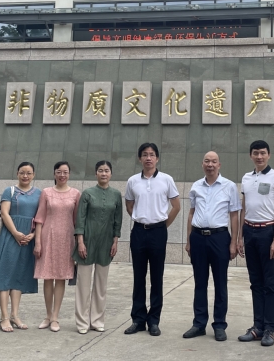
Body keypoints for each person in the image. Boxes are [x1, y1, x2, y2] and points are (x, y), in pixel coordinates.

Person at [183, 151, 240, 342]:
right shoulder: (196, 186)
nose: (210, 164)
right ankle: (199, 324)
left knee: (220, 283)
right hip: (198, 237)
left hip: (219, 238)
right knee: (200, 282)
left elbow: (234, 215)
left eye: (214, 161)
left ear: (219, 165)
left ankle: (219, 324)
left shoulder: (229, 186)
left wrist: (233, 242)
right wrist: (189, 240)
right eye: (207, 161)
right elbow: (191, 213)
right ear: (202, 164)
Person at [124, 143, 181, 336]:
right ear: (140, 158)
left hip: (158, 232)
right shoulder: (133, 181)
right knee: (138, 277)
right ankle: (138, 320)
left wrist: (163, 225)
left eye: (152, 155)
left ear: (157, 158)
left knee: (157, 277)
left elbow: (176, 206)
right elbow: (129, 205)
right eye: (145, 155)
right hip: (139, 232)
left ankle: (154, 320)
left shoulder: (166, 179)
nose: (148, 158)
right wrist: (140, 218)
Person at [237, 140, 274, 347]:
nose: (259, 156)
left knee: (269, 282)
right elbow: (244, 208)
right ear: (251, 155)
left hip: (268, 232)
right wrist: (240, 237)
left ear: (269, 155)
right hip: (249, 231)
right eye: (256, 153)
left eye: (263, 153)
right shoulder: (246, 178)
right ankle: (257, 327)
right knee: (255, 282)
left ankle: (269, 329)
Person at [0, 162, 41, 333]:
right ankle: (4, 317)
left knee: (19, 275)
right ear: (17, 173)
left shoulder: (39, 193)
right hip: (10, 236)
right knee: (5, 274)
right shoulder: (9, 191)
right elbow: (4, 213)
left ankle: (15, 315)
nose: (25, 176)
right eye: (22, 172)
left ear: (33, 175)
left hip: (28, 238)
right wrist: (16, 233)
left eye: (29, 173)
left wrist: (33, 235)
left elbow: (40, 217)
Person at [73, 160, 123, 334]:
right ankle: (82, 322)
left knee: (101, 285)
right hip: (87, 242)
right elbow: (80, 219)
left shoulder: (116, 195)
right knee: (83, 285)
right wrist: (80, 242)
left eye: (106, 170)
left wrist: (115, 241)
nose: (103, 173)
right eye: (100, 170)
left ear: (111, 174)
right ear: (95, 174)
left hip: (106, 243)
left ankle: (97, 320)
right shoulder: (87, 193)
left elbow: (118, 221)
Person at [34, 161, 81, 333]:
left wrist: (79, 242)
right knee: (47, 277)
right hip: (48, 237)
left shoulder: (76, 194)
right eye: (59, 172)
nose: (62, 175)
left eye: (65, 172)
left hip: (67, 238)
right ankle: (47, 315)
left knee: (61, 277)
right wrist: (38, 241)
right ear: (54, 173)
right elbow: (40, 218)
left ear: (69, 174)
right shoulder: (46, 192)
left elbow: (77, 220)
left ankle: (55, 317)